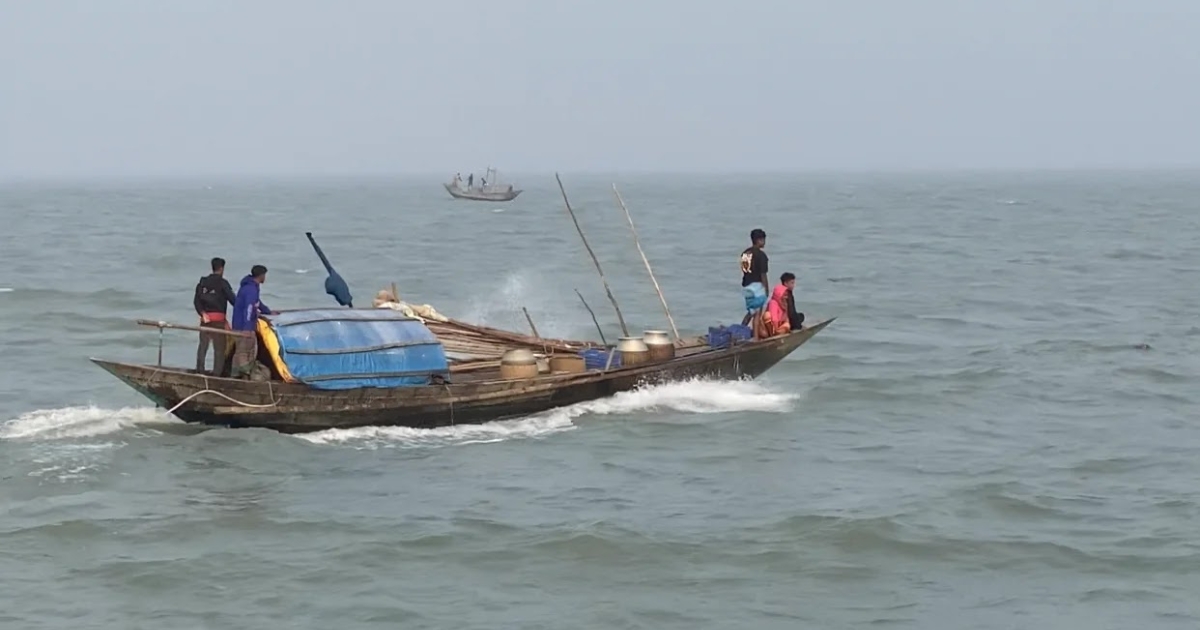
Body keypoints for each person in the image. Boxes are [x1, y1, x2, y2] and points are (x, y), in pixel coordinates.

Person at [193, 257, 237, 374]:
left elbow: (196, 301)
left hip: (205, 319)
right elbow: (234, 301)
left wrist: (202, 313)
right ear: (222, 269)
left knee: (203, 346)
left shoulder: (202, 283)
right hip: (218, 321)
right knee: (219, 349)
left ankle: (199, 371)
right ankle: (217, 374)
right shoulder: (223, 283)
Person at [230, 265, 275, 378]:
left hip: (239, 324)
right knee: (245, 351)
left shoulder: (250, 287)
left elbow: (256, 303)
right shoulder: (251, 289)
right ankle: (244, 375)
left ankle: (234, 375)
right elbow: (249, 309)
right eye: (264, 275)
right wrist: (247, 328)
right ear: (261, 276)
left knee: (240, 350)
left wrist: (268, 311)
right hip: (243, 326)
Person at [739, 228, 769, 326]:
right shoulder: (761, 256)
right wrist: (766, 290)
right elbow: (763, 274)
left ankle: (742, 328)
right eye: (763, 240)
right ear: (759, 240)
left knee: (751, 311)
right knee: (757, 312)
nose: (764, 242)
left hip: (747, 285)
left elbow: (745, 270)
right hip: (757, 286)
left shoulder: (745, 253)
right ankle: (757, 335)